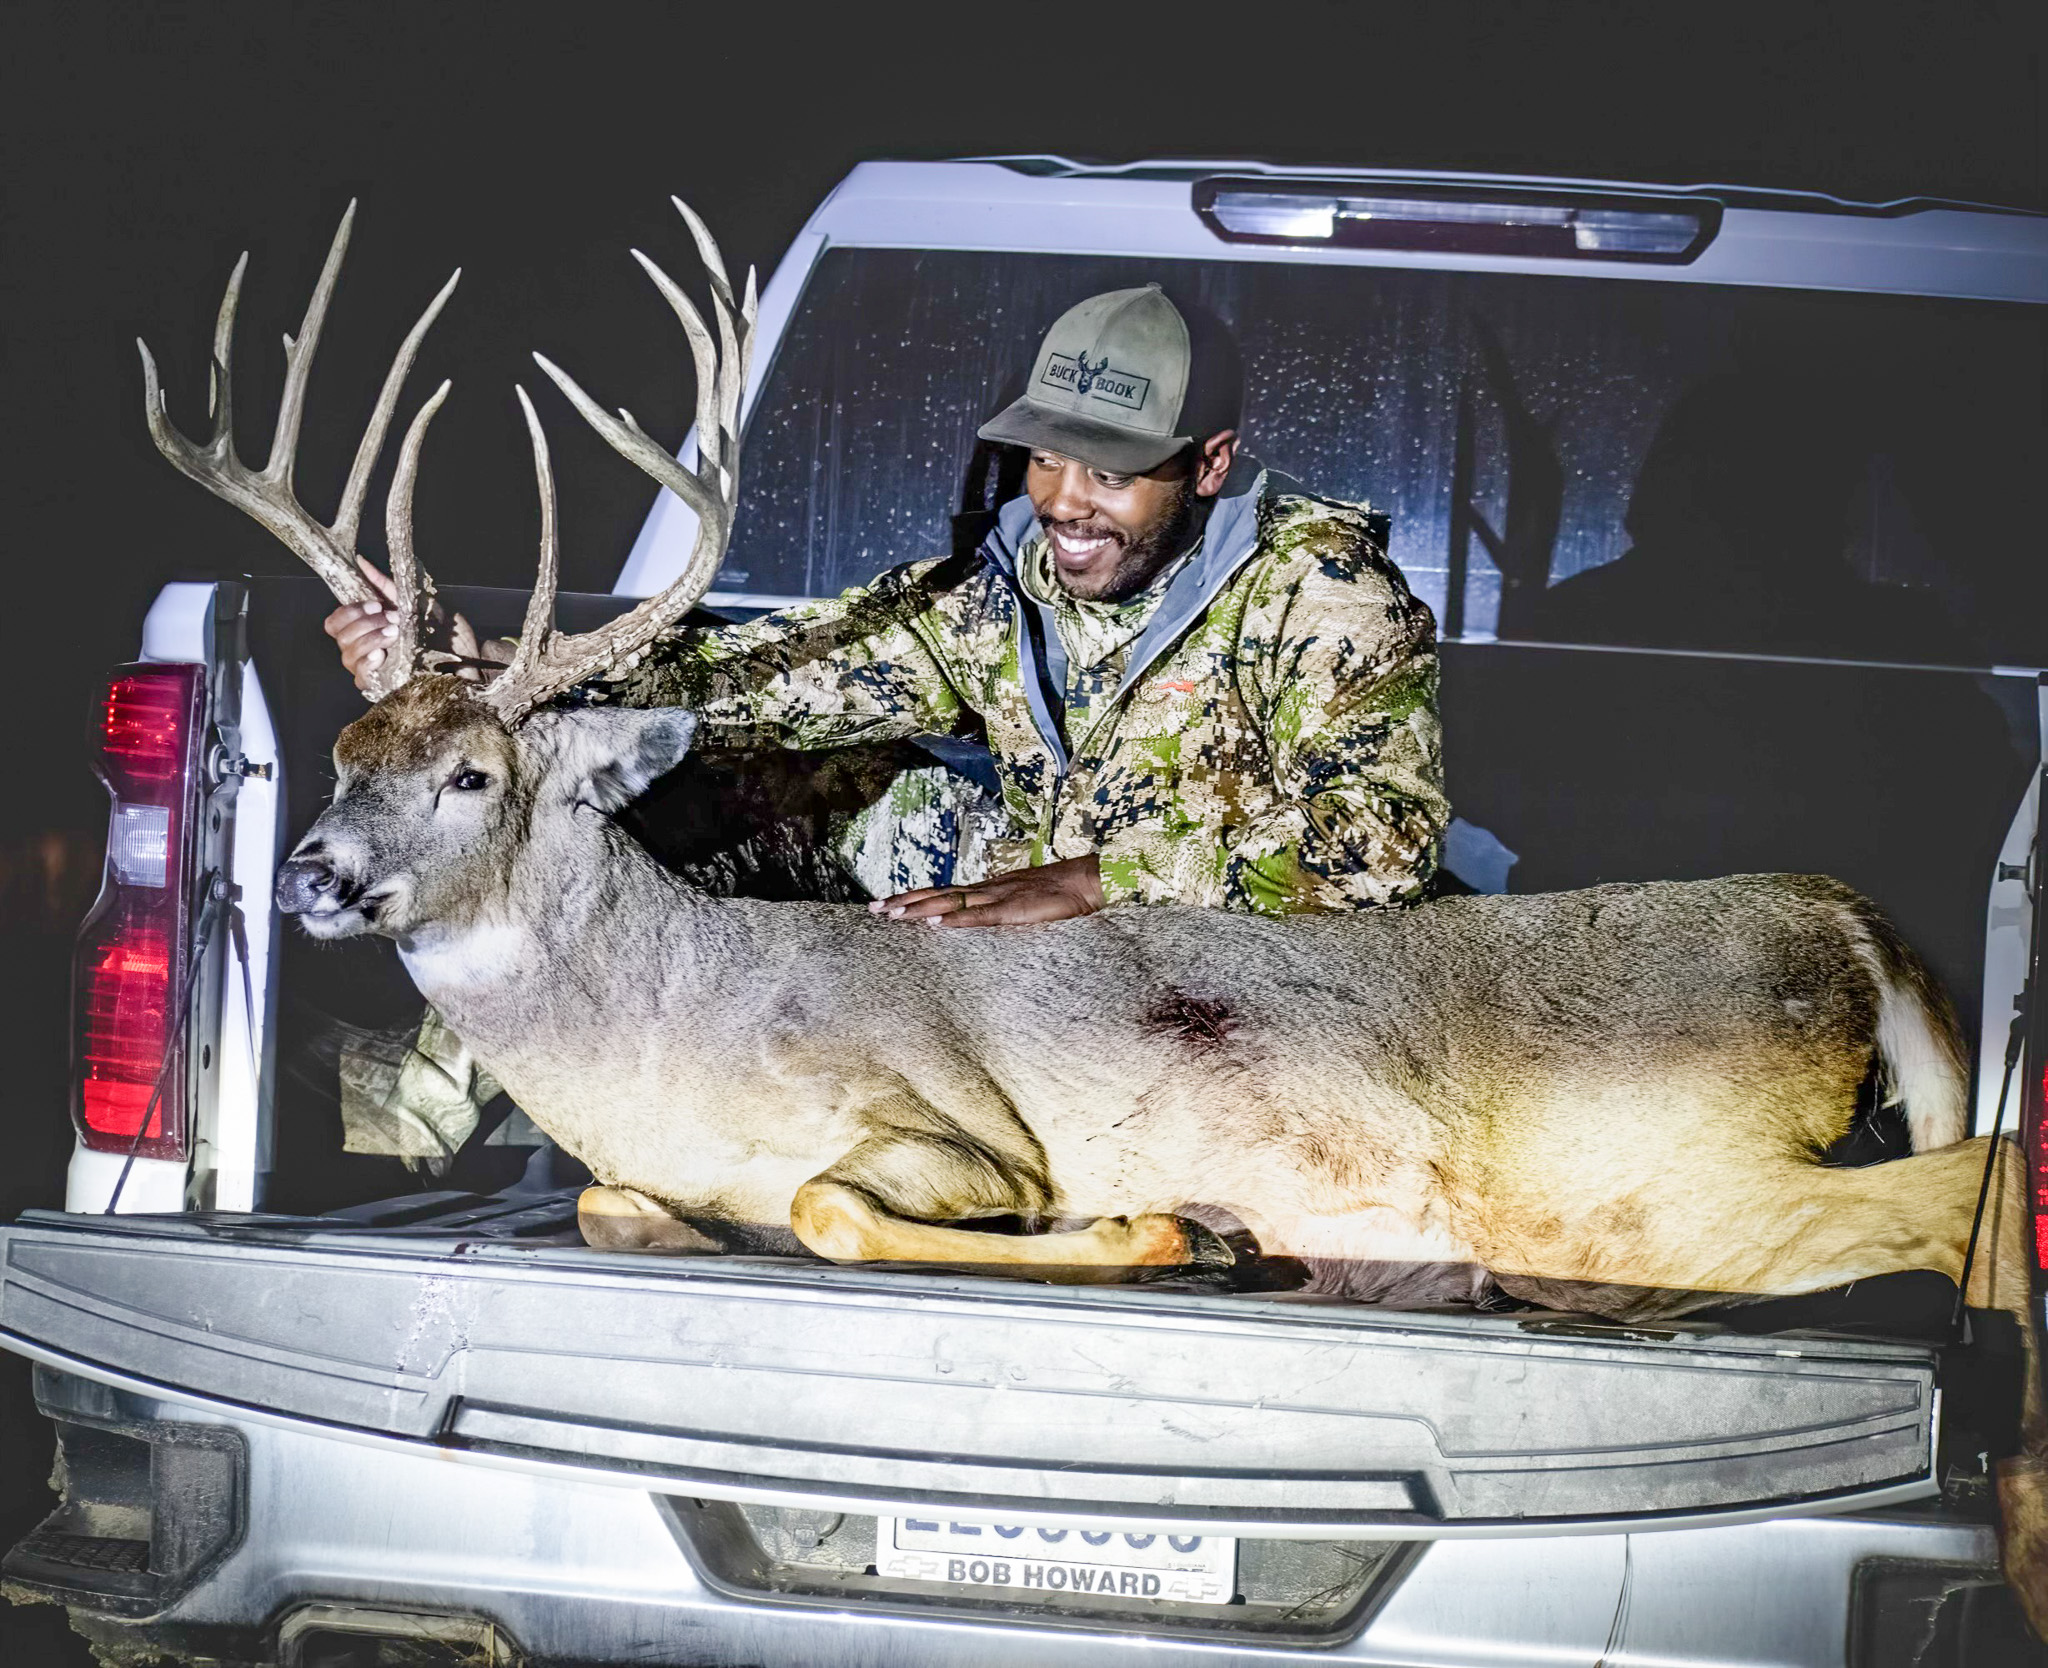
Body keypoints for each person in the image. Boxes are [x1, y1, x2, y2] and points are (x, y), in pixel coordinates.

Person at [330, 283, 1449, 925]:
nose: (1064, 502)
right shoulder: (995, 587)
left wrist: (1094, 884)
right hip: (1028, 938)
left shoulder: (1322, 599)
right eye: (1045, 461)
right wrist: (474, 675)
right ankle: (529, 1089)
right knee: (718, 782)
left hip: (1228, 972)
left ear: (1206, 466)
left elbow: (1380, 848)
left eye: (1111, 475)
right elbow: (768, 681)